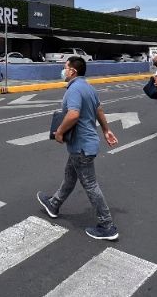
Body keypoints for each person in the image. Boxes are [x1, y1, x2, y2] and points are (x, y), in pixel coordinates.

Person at [36, 56, 120, 241]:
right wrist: (106, 130)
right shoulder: (88, 87)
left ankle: (107, 226)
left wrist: (59, 132)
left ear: (72, 71)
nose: (63, 70)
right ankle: (54, 204)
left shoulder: (74, 89)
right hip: (83, 145)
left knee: (90, 185)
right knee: (70, 175)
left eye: (65, 67)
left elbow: (73, 115)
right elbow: (99, 109)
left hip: (81, 146)